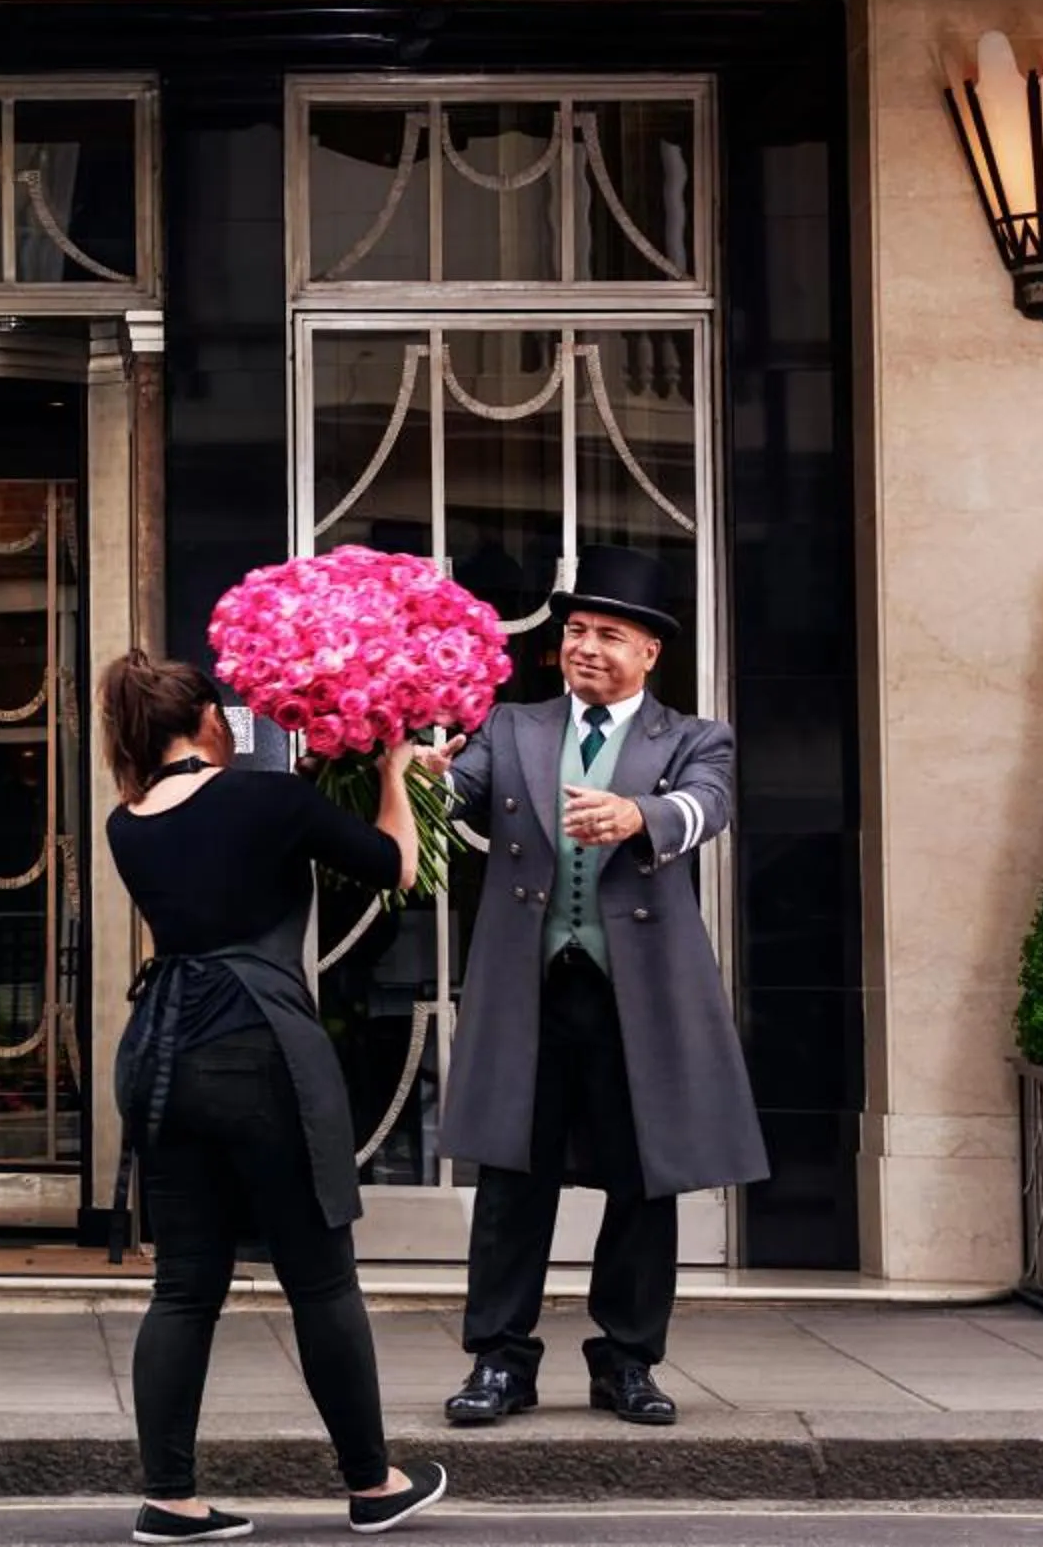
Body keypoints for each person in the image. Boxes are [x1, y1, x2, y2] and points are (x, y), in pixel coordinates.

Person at [100, 651, 452, 1543]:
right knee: (321, 1278)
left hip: (162, 1054)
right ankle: (373, 1484)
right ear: (212, 717)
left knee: (183, 1288)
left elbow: (234, 835)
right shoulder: (266, 800)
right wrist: (395, 773)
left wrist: (317, 779)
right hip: (258, 1049)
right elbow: (394, 866)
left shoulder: (126, 822)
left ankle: (169, 1497)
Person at [423, 544, 762, 1430]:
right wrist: (416, 774)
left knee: (643, 1182)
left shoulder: (692, 739)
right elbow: (453, 797)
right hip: (529, 990)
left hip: (636, 998)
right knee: (510, 1178)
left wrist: (639, 816)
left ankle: (627, 1362)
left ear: (651, 652)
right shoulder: (512, 728)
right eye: (576, 631)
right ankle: (500, 1361)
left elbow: (707, 807)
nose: (587, 647)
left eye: (610, 634)